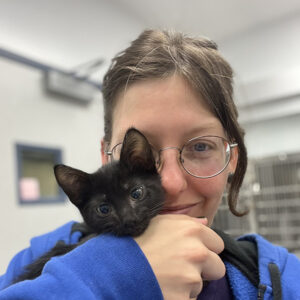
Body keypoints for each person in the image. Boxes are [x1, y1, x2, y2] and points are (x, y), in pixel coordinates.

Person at [1, 29, 299, 300]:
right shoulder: (40, 258)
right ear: (107, 157)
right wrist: (112, 277)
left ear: (231, 156)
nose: (169, 182)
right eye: (143, 155)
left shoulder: (283, 277)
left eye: (200, 146)